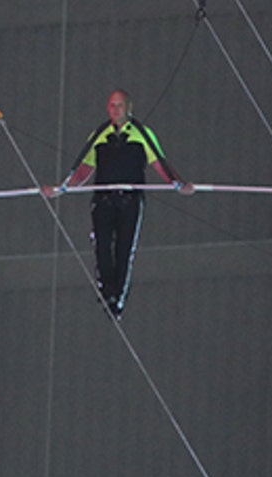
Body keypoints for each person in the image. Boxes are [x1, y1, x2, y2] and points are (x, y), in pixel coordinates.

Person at [42, 89, 193, 316]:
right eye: (112, 105)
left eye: (120, 105)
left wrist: (179, 183)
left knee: (124, 250)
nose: (115, 109)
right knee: (102, 246)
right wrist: (60, 189)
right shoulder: (99, 135)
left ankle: (117, 299)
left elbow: (160, 164)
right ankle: (107, 292)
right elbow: (83, 170)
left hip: (130, 200)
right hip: (103, 200)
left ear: (129, 107)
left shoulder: (143, 134)